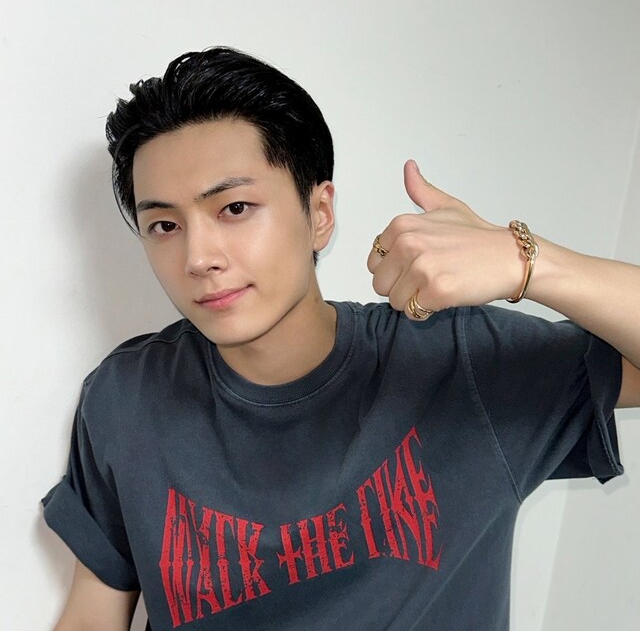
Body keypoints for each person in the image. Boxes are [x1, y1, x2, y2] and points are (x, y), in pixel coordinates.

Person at [42, 47, 640, 631]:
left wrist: (526, 261)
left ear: (320, 213)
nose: (198, 257)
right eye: (164, 225)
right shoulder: (126, 397)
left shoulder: (457, 360)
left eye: (235, 208)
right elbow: (93, 615)